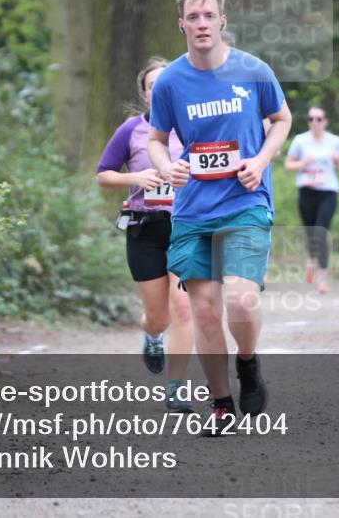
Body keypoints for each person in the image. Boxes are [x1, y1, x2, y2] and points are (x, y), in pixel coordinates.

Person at [148, 0, 292, 434]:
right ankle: (222, 405)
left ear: (222, 21)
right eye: (193, 17)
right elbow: (155, 139)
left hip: (245, 201)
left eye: (209, 16)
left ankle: (248, 364)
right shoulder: (170, 81)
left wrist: (261, 160)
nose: (202, 24)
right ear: (182, 25)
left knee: (241, 300)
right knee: (205, 311)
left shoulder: (253, 70)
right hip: (193, 211)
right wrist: (167, 166)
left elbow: (282, 120)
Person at [96, 57, 195, 412]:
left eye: (166, 82)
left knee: (183, 308)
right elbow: (104, 174)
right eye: (153, 86)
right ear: (146, 94)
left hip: (186, 227)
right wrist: (134, 179)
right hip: (145, 227)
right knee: (160, 316)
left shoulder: (194, 126)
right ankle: (152, 334)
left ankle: (177, 386)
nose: (160, 90)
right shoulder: (131, 130)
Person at [284, 106, 339, 294]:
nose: (315, 122)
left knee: (321, 232)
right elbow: (288, 164)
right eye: (311, 119)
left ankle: (322, 278)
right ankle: (311, 260)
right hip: (307, 191)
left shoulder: (334, 141)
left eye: (319, 119)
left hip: (328, 191)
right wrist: (303, 163)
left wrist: (338, 160)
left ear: (325, 121)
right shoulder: (300, 140)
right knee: (311, 232)